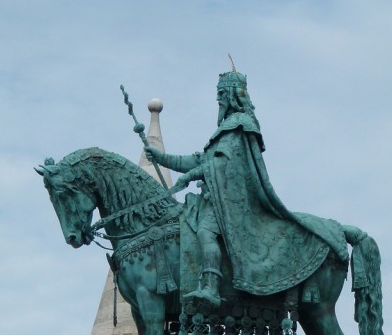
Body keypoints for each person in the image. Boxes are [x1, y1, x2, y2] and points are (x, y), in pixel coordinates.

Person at [144, 70, 343, 308]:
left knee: (206, 233)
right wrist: (161, 158)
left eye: (220, 93)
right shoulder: (225, 130)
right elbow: (200, 160)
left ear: (231, 95)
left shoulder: (241, 126)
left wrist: (192, 175)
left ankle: (210, 287)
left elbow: (223, 165)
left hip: (232, 204)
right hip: (214, 200)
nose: (218, 99)